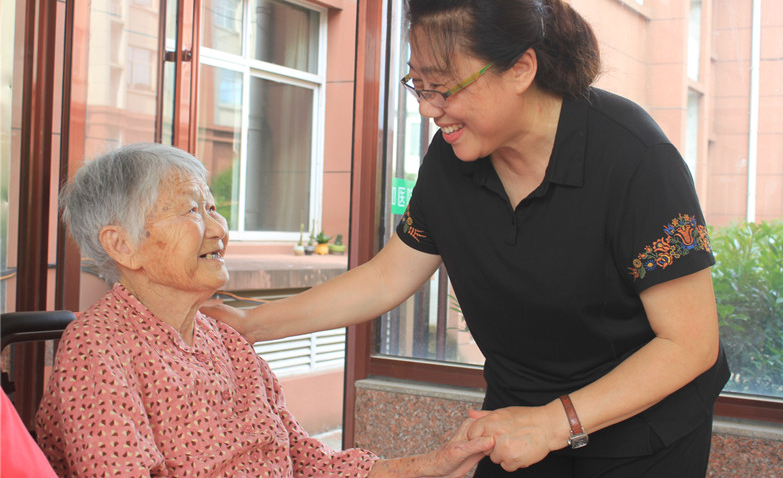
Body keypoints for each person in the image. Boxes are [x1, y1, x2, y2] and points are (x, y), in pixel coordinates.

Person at [203, 0, 731, 478]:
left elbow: (690, 342)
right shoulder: (453, 159)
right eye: (418, 85)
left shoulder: (634, 158)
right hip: (515, 418)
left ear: (521, 68)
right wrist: (253, 323)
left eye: (443, 87)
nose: (427, 108)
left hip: (641, 432)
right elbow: (387, 277)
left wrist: (554, 423)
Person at [35, 143, 493, 477]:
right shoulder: (98, 350)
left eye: (213, 207)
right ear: (122, 246)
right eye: (192, 211)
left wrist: (433, 465)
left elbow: (309, 463)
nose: (219, 228)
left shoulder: (226, 342)